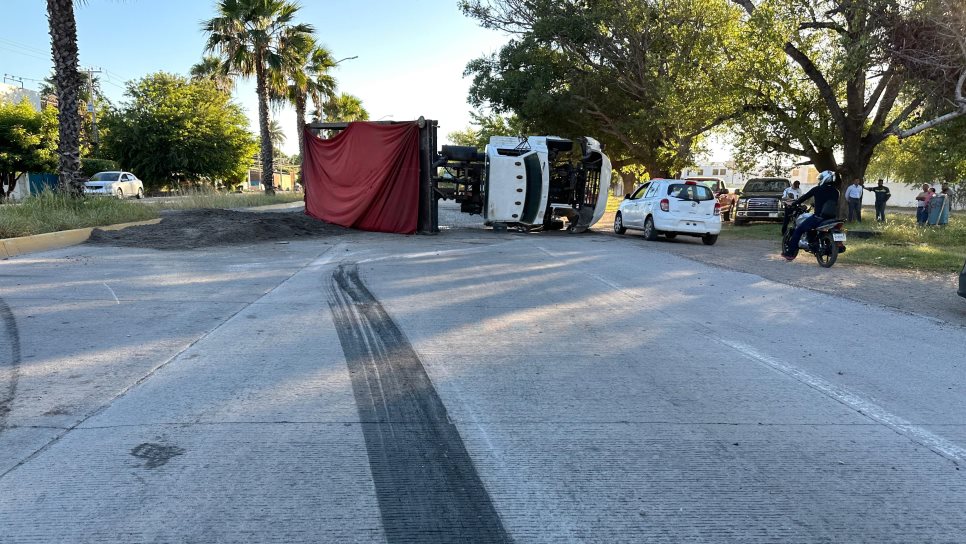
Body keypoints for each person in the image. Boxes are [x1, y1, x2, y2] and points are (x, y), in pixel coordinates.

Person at [782, 170, 840, 261]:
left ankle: (790, 253)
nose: (819, 180)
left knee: (799, 230)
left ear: (825, 179)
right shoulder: (836, 192)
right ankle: (814, 242)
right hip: (832, 218)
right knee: (810, 228)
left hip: (818, 217)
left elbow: (803, 198)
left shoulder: (817, 189)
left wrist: (794, 204)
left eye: (820, 178)